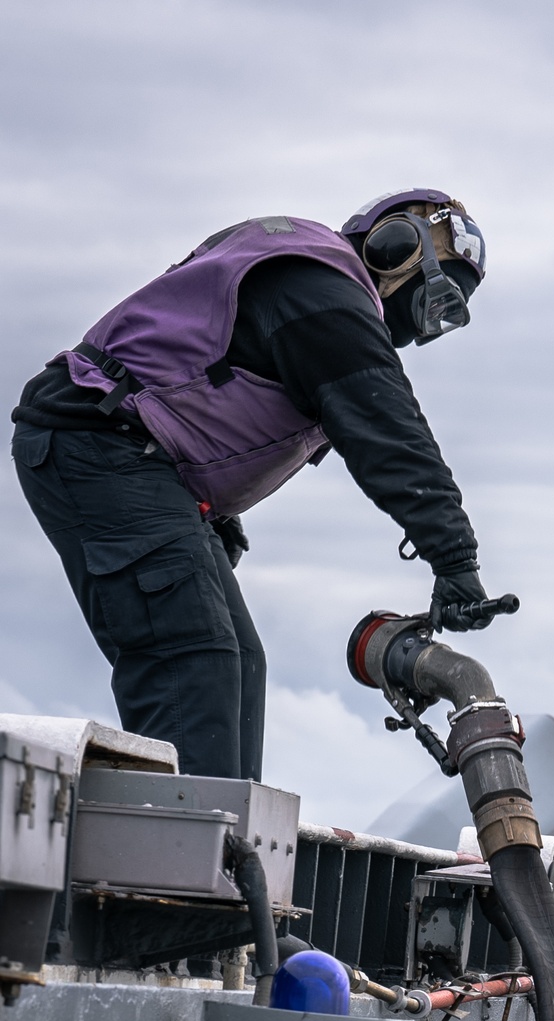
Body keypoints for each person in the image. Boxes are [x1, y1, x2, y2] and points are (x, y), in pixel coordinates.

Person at [10, 191, 494, 780]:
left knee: (238, 658)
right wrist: (454, 555)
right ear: (396, 248)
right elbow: (386, 430)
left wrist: (213, 514)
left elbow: (195, 385)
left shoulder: (320, 295)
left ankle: (226, 849)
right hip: (96, 442)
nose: (425, 325)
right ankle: (181, 860)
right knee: (193, 657)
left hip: (133, 456)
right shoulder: (323, 293)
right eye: (438, 292)